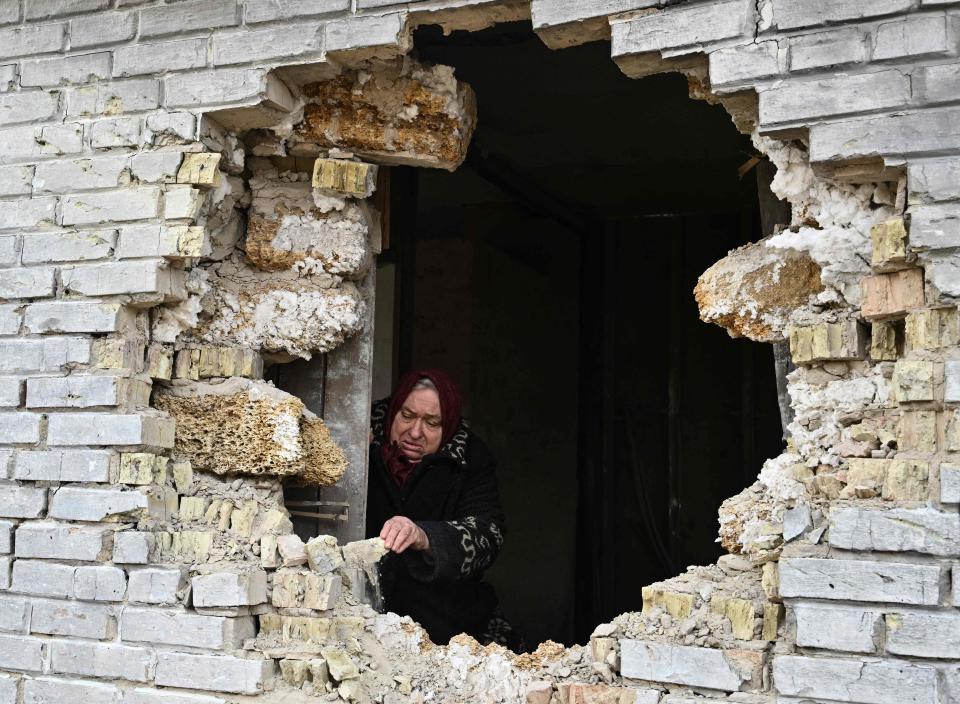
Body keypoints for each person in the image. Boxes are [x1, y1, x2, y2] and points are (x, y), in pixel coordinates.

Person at [365, 369, 521, 649]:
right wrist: (349, 454)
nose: (415, 432)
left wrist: (424, 536)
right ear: (393, 412)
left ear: (447, 426)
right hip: (362, 621)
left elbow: (489, 534)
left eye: (432, 423)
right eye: (407, 416)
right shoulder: (360, 439)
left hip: (448, 625)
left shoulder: (470, 459)